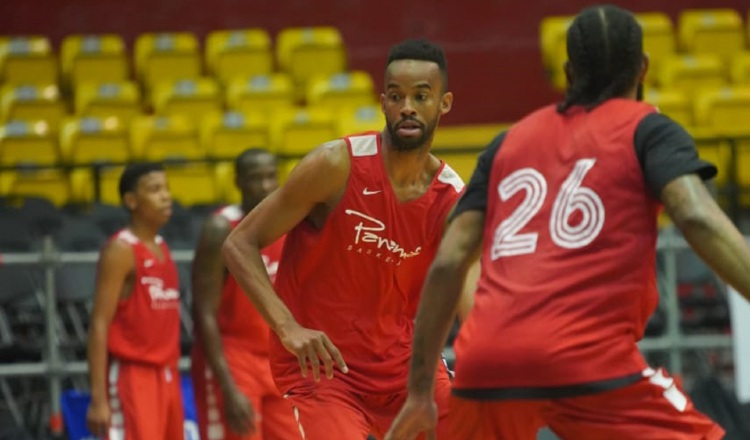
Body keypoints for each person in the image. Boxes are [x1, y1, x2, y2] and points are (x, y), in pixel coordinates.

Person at [387, 5, 750, 440]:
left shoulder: (509, 142)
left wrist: (420, 391)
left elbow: (448, 264)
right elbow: (694, 214)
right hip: (587, 356)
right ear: (643, 68)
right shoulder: (647, 128)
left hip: (487, 362)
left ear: (567, 71)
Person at [221, 39, 466, 439]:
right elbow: (238, 244)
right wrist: (288, 327)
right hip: (324, 370)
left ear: (444, 103)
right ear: (382, 102)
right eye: (396, 96)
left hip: (402, 367)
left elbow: (468, 290)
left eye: (421, 96)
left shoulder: (452, 198)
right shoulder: (335, 164)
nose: (408, 106)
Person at [190, 148, 298, 440]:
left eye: (269, 177)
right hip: (233, 358)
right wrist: (227, 385)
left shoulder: (287, 225)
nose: (264, 186)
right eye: (255, 179)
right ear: (237, 182)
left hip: (278, 357)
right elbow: (203, 313)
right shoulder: (220, 229)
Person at [86, 163, 183, 439]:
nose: (166, 196)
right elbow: (99, 324)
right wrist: (98, 398)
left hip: (168, 373)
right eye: (154, 189)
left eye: (166, 188)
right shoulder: (121, 249)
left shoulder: (162, 245)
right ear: (131, 201)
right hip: (134, 377)